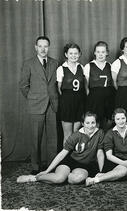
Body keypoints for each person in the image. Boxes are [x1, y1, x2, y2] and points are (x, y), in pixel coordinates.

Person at [17, 112, 104, 184]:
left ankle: (64, 176)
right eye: (87, 123)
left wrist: (101, 171)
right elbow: (62, 154)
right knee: (59, 179)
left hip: (84, 165)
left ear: (96, 123)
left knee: (76, 179)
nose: (90, 126)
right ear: (82, 124)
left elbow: (100, 153)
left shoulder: (100, 133)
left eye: (93, 123)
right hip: (70, 161)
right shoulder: (76, 135)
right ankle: (35, 178)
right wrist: (47, 170)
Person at [19, 36, 59, 174]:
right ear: (36, 47)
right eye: (40, 46)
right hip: (36, 105)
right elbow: (23, 85)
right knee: (36, 138)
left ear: (49, 47)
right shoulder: (28, 63)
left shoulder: (55, 63)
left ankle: (51, 166)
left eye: (46, 46)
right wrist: (33, 98)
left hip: (52, 105)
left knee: (53, 139)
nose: (43, 49)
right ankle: (35, 167)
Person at [85, 108, 127, 186]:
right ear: (114, 119)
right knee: (124, 171)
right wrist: (124, 163)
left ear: (126, 118)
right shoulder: (110, 133)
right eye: (118, 119)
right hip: (114, 161)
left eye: (123, 118)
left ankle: (106, 176)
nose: (121, 121)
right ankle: (96, 179)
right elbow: (109, 156)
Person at [57, 43, 86, 145]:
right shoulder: (61, 69)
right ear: (66, 54)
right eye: (71, 53)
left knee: (76, 133)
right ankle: (66, 159)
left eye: (76, 53)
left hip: (79, 102)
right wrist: (66, 99)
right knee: (68, 134)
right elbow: (59, 89)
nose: (73, 55)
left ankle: (74, 158)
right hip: (67, 102)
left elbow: (85, 86)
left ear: (79, 54)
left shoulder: (82, 67)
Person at [85, 41, 115, 130]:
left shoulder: (110, 65)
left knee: (109, 121)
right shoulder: (89, 66)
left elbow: (113, 82)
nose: (100, 54)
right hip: (95, 99)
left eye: (103, 52)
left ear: (107, 53)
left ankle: (105, 141)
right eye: (98, 52)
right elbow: (85, 86)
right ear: (94, 53)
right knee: (95, 122)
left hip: (108, 98)